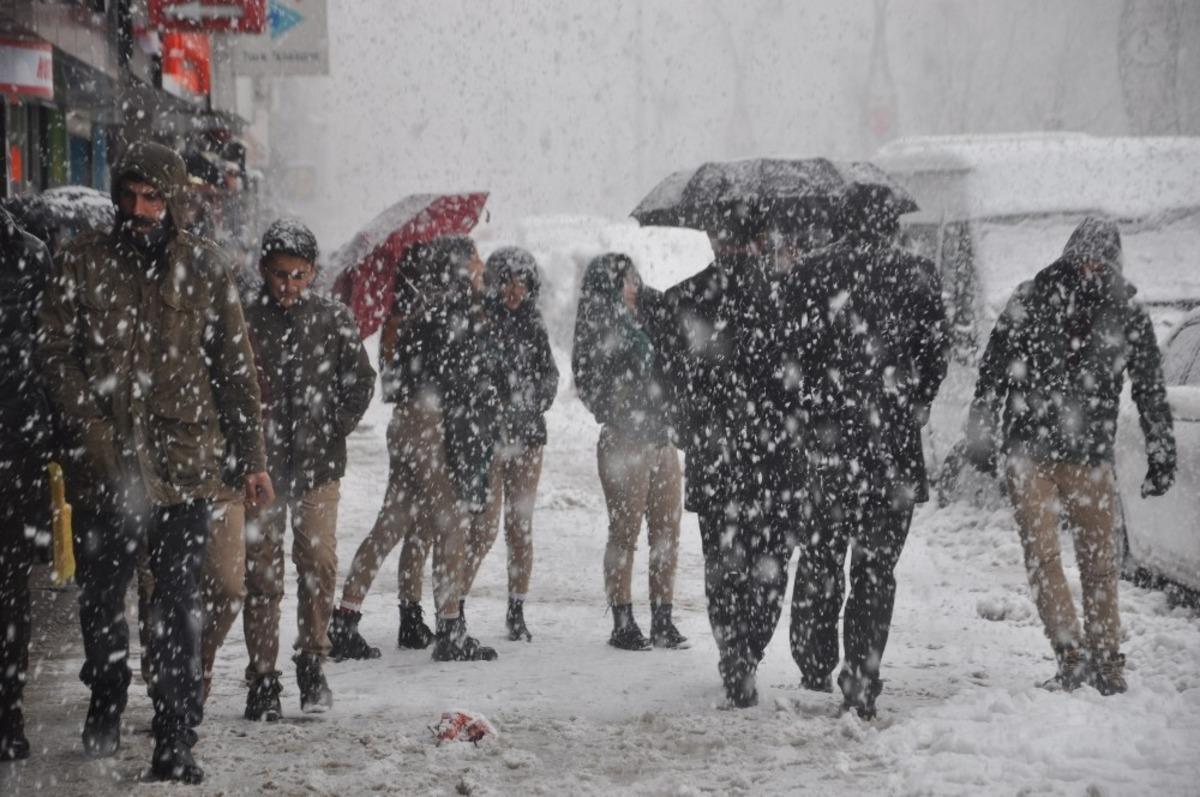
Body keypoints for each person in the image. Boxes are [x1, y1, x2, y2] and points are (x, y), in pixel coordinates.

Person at [38, 141, 272, 783]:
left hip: (182, 467)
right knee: (101, 600)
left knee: (176, 604)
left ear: (173, 203)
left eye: (152, 199)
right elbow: (54, 352)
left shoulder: (205, 267)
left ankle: (175, 734)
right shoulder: (82, 261)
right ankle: (107, 694)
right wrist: (90, 428)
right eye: (130, 196)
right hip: (104, 469)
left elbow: (234, 370)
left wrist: (252, 458)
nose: (140, 210)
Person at [965, 215, 1175, 695]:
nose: (1090, 269)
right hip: (1029, 451)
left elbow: (1150, 388)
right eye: (1083, 259)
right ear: (1068, 255)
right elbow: (993, 370)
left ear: (1113, 262)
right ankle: (1071, 655)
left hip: (1091, 455)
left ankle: (1106, 660)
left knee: (1099, 564)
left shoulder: (1126, 310)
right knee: (1042, 557)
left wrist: (1161, 450)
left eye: (1100, 262)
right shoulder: (1031, 298)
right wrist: (981, 435)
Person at [784, 186, 949, 719]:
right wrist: (914, 398)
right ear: (889, 221)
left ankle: (814, 658)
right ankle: (861, 677)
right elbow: (935, 355)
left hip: (828, 444)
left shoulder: (808, 273)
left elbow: (791, 355)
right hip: (891, 448)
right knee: (876, 570)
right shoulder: (917, 274)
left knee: (821, 557)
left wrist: (808, 408)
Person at [328, 235, 501, 663]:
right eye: (474, 257)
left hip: (406, 423)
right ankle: (450, 630)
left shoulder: (418, 311)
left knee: (391, 523)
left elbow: (396, 376)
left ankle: (345, 618)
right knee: (451, 524)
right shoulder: (455, 311)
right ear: (459, 266)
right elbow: (464, 385)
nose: (481, 263)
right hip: (431, 425)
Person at [241, 219, 375, 720]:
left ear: (314, 273)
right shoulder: (245, 316)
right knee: (262, 574)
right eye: (280, 274)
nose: (289, 285)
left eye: (299, 275)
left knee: (318, 565)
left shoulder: (332, 317)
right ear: (264, 270)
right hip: (261, 469)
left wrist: (334, 424)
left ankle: (312, 661)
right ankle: (262, 676)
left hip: (318, 466)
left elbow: (361, 379)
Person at [572, 253, 686, 652]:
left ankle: (663, 619)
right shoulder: (599, 328)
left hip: (661, 440)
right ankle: (622, 620)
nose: (632, 286)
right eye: (624, 280)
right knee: (625, 532)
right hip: (623, 441)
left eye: (634, 277)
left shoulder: (650, 316)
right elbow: (587, 382)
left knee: (667, 532)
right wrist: (622, 409)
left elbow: (678, 332)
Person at [456, 247, 558, 641]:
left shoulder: (534, 324)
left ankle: (516, 609)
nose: (515, 291)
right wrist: (490, 402)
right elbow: (470, 376)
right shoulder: (480, 321)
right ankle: (455, 607)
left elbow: (550, 376)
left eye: (522, 284)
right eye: (508, 282)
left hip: (528, 439)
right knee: (483, 528)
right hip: (489, 440)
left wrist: (532, 402)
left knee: (520, 527)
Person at [0, 207, 52, 761]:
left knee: (9, 593)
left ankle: (7, 711)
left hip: (14, 451)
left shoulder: (30, 256)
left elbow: (50, 356)